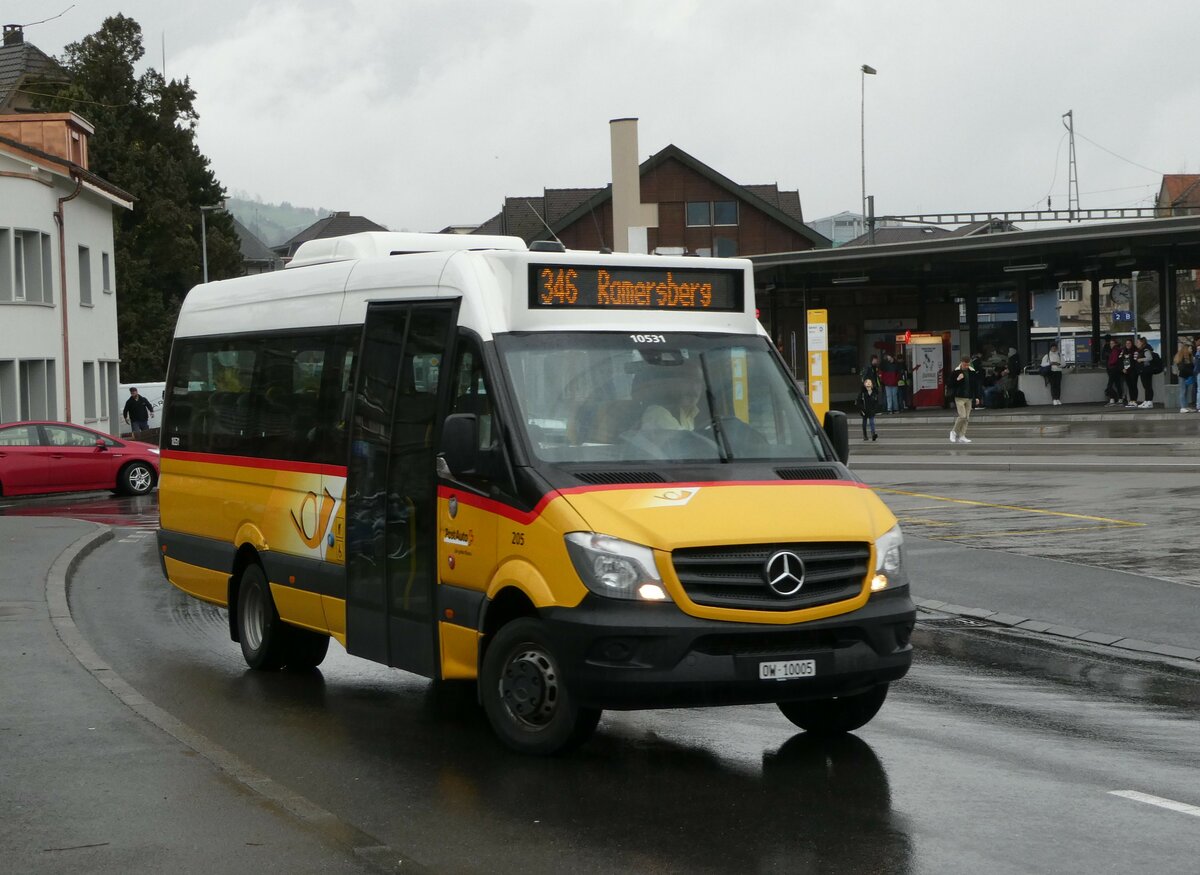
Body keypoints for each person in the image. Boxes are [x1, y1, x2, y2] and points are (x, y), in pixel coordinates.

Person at [637, 363, 704, 430]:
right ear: (672, 383)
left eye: (698, 382)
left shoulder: (687, 412)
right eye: (687, 381)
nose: (694, 388)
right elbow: (682, 439)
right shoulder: (657, 414)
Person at [949, 356, 978, 443]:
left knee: (967, 418)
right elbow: (950, 384)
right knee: (962, 416)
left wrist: (976, 397)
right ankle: (953, 432)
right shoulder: (956, 371)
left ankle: (962, 435)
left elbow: (974, 385)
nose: (966, 366)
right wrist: (958, 379)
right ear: (961, 362)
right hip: (959, 397)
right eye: (965, 365)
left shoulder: (972, 371)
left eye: (968, 365)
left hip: (969, 397)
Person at [1173, 337, 1195, 413]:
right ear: (1186, 349)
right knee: (1183, 391)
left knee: (1186, 392)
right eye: (1190, 348)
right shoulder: (1181, 357)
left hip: (1186, 376)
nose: (1191, 350)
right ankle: (1182, 407)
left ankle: (1185, 406)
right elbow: (1182, 368)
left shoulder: (1189, 357)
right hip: (1183, 376)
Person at [1135, 337, 1156, 409]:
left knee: (1148, 386)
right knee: (1145, 386)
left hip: (1146, 370)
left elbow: (1149, 358)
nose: (1137, 344)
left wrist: (1141, 359)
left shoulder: (1146, 349)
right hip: (1143, 370)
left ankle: (1149, 401)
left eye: (1138, 342)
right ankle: (1146, 400)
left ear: (1142, 343)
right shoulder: (1141, 350)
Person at [1102, 336, 1123, 406]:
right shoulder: (1117, 349)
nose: (1111, 345)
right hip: (1116, 369)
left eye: (1112, 343)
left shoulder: (1115, 350)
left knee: (1110, 385)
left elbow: (1113, 360)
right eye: (1110, 343)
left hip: (1113, 369)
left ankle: (1113, 398)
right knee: (1117, 384)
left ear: (1115, 344)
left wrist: (1110, 363)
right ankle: (1120, 398)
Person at [1120, 339, 1140, 408]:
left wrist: (1128, 369)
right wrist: (1123, 368)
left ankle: (1134, 400)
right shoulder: (1123, 351)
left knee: (1134, 385)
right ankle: (1131, 400)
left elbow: (1135, 362)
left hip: (1133, 371)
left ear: (1132, 344)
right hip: (1126, 371)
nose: (1128, 345)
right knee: (1129, 386)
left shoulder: (1135, 351)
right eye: (1126, 343)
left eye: (1129, 343)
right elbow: (1120, 360)